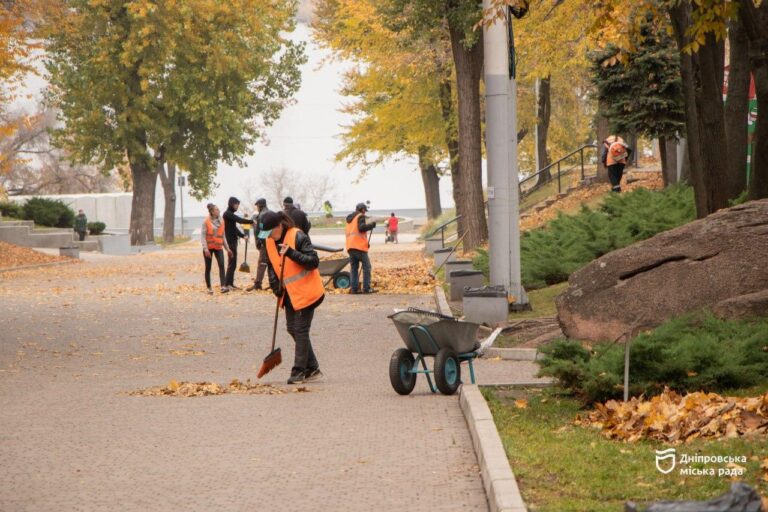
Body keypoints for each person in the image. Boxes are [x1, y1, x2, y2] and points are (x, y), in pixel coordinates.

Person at [258, 210, 325, 384]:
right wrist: (275, 287)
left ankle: (299, 371)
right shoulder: (268, 241)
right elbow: (271, 266)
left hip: (307, 292)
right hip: (289, 294)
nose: (268, 237)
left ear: (279, 226)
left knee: (301, 330)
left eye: (269, 232)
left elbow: (313, 262)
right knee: (292, 328)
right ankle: (313, 367)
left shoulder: (298, 236)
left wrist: (291, 253)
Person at [345, 202, 377, 294]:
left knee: (354, 268)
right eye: (364, 210)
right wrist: (371, 225)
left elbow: (355, 233)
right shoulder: (360, 216)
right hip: (359, 247)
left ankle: (354, 289)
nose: (365, 212)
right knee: (367, 267)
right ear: (362, 209)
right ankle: (366, 288)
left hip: (350, 247)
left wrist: (365, 243)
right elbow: (361, 228)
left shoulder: (349, 219)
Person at [223, 196, 253, 290]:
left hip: (233, 241)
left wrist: (243, 236)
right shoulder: (227, 214)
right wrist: (252, 221)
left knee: (233, 263)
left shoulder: (230, 214)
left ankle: (230, 283)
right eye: (236, 204)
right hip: (230, 242)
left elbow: (234, 228)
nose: (237, 206)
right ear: (232, 204)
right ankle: (227, 284)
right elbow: (240, 220)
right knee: (232, 263)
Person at [201, 203, 232, 294]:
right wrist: (205, 249)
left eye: (218, 209)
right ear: (212, 212)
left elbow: (223, 236)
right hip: (208, 248)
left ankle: (223, 286)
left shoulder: (222, 221)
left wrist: (227, 249)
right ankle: (209, 288)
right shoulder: (206, 222)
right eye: (217, 210)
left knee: (222, 265)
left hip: (218, 247)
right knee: (208, 267)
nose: (219, 211)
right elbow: (203, 236)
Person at [246, 197, 271, 292]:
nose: (257, 207)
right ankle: (273, 283)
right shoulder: (271, 213)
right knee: (271, 263)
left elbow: (261, 230)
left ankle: (258, 284)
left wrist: (260, 242)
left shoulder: (262, 215)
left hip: (264, 243)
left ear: (260, 205)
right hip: (272, 241)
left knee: (262, 263)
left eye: (257, 206)